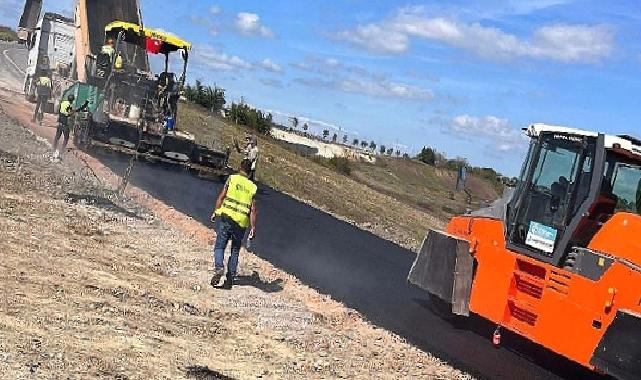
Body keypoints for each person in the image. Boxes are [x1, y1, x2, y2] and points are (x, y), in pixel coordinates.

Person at [210, 159, 258, 289]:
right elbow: (253, 209)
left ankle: (219, 267)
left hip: (226, 219)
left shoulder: (232, 179)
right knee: (235, 250)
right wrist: (253, 227)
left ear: (239, 167)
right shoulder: (252, 187)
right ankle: (230, 277)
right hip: (241, 223)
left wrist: (216, 212)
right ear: (249, 172)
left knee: (220, 247)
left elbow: (221, 197)